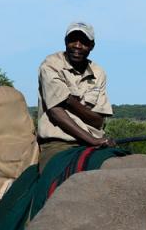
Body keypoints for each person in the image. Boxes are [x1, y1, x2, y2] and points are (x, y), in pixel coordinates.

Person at [36, 21, 115, 166]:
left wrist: (69, 101)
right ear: (66, 41)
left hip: (96, 143)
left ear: (91, 46)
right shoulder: (51, 65)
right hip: (59, 143)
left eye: (84, 42)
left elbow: (98, 121)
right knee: (55, 176)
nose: (77, 46)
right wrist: (93, 140)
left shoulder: (98, 72)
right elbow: (56, 113)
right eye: (73, 40)